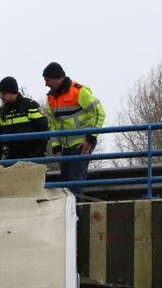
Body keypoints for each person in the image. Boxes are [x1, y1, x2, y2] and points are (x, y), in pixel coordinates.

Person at [41, 62, 106, 196]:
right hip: (66, 147)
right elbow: (53, 124)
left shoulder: (79, 91)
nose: (46, 84)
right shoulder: (51, 98)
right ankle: (73, 212)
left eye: (47, 80)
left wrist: (89, 139)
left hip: (82, 143)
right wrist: (57, 148)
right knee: (66, 183)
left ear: (56, 78)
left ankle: (77, 212)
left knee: (74, 182)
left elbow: (100, 112)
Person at [0, 76, 49, 162]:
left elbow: (44, 129)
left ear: (13, 92)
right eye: (0, 93)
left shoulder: (30, 106)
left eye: (3, 94)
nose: (1, 96)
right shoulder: (2, 112)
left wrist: (38, 152)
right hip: (11, 159)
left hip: (32, 158)